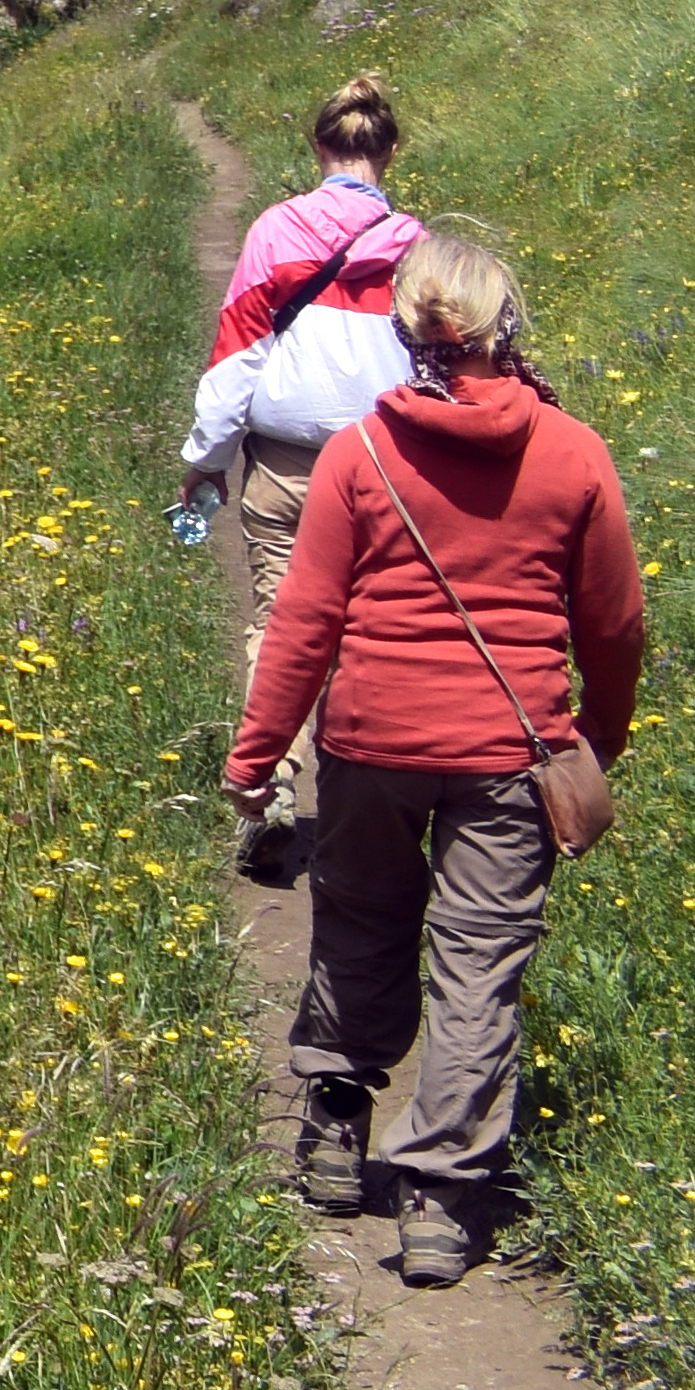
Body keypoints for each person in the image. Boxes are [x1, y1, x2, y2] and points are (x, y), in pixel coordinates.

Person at [227, 226, 641, 1286]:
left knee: (360, 925)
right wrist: (597, 737)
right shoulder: (574, 451)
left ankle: (332, 1122)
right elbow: (614, 624)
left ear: (410, 330)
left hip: (369, 741)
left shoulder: (361, 452)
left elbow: (305, 623)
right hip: (512, 751)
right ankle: (438, 1204)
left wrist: (257, 756)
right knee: (475, 970)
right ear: (506, 326)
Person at [183, 78, 423, 880]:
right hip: (390, 467)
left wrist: (206, 460)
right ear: (389, 152)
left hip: (286, 466)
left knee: (283, 625)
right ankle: (370, 805)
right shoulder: (419, 247)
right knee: (378, 628)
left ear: (319, 148)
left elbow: (239, 354)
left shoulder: (277, 231)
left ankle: (273, 788)